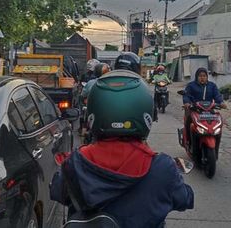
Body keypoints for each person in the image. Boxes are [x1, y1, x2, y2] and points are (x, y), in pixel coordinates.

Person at [50, 70, 194, 228]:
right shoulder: (162, 167)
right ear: (146, 114)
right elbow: (184, 199)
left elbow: (57, 192)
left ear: (93, 114)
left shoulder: (74, 163)